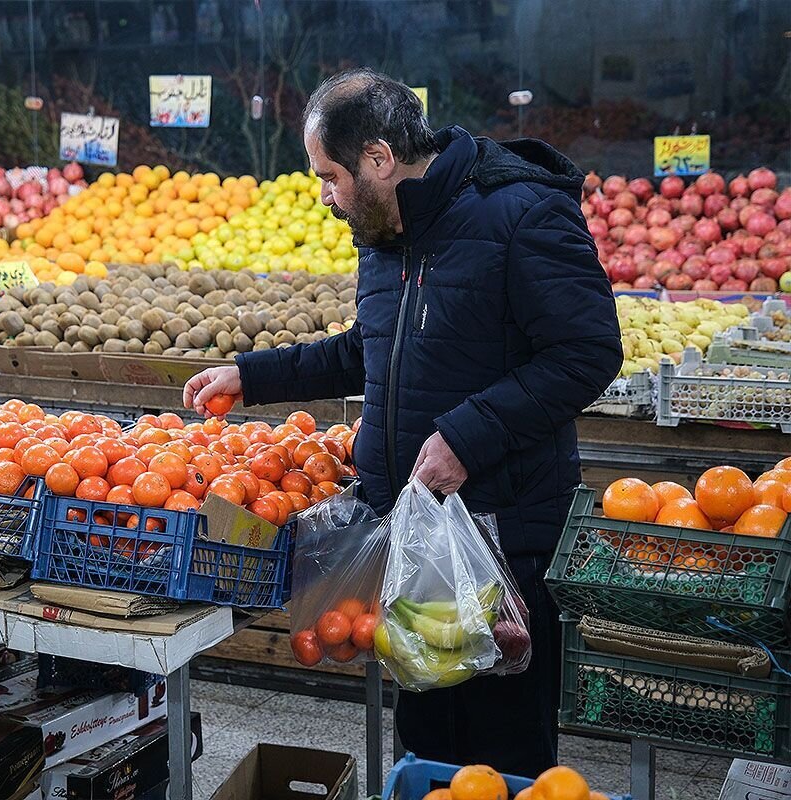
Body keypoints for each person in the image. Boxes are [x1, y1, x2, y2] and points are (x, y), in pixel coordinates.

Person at [182, 68, 622, 777]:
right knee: (427, 758)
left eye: (330, 176)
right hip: (415, 542)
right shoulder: (386, 234)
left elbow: (588, 351)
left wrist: (466, 436)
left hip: (501, 543)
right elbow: (371, 349)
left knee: (502, 764)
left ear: (380, 159)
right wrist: (253, 375)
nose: (326, 197)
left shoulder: (522, 214)